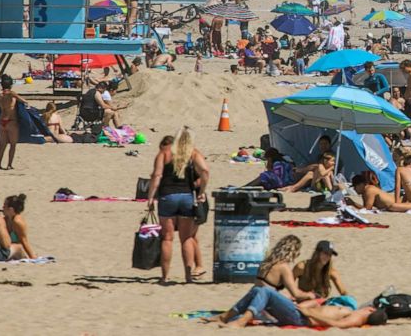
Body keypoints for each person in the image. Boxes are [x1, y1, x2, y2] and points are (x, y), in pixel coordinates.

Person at [146, 126, 211, 283]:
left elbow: (157, 175)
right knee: (187, 238)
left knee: (167, 238)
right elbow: (205, 171)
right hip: (187, 197)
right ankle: (188, 277)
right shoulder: (192, 154)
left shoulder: (164, 154)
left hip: (167, 197)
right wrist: (202, 191)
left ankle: (165, 277)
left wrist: (150, 197)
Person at [211, 290, 387, 328]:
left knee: (266, 292)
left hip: (301, 318)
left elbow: (336, 325)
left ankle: (240, 321)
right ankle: (225, 317)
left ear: (370, 311)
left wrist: (309, 312)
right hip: (301, 313)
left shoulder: (357, 318)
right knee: (258, 291)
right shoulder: (355, 312)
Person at [0, 75, 26, 170]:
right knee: (13, 145)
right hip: (11, 121)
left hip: (1, 122)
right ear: (11, 85)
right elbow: (24, 101)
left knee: (2, 145)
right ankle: (9, 164)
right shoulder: (12, 94)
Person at [2, 194, 36, 260]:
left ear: (11, 209)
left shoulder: (17, 222)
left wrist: (32, 257)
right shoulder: (5, 219)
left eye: (4, 206)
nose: (2, 207)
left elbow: (24, 241)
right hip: (9, 249)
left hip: (18, 251)